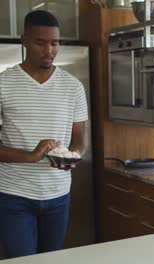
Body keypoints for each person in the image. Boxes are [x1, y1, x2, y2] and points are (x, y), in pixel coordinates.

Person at [0, 10, 88, 258]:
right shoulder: (4, 83)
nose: (49, 50)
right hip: (14, 196)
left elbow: (80, 140)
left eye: (55, 43)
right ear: (24, 40)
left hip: (58, 196)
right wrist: (31, 156)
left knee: (51, 260)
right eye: (41, 42)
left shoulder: (73, 86)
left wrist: (74, 156)